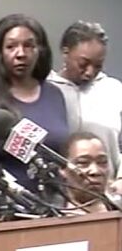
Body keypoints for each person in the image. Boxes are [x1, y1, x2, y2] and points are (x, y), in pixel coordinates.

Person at [0, 14, 70, 193]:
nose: (21, 54)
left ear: (39, 50)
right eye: (11, 47)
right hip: (0, 211)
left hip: (51, 207)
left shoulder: (54, 94)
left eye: (29, 46)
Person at [48, 21, 122, 178]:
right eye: (83, 63)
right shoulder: (45, 91)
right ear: (65, 52)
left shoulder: (115, 91)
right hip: (56, 193)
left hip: (107, 191)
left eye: (98, 66)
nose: (89, 72)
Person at [59, 131, 113, 214]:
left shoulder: (118, 209)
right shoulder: (45, 217)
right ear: (63, 169)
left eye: (102, 162)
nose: (95, 171)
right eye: (83, 162)